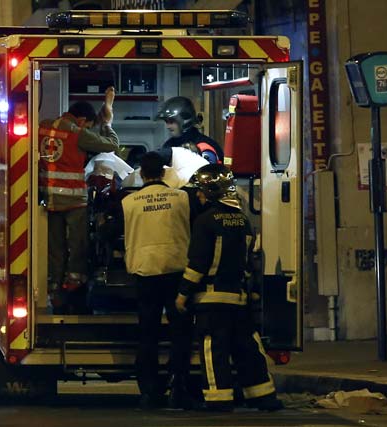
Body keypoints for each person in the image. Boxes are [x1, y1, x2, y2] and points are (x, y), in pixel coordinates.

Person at [175, 164, 283, 412]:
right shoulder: (243, 220)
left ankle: (219, 399)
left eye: (201, 191)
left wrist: (182, 294)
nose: (199, 196)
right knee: (247, 347)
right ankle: (263, 396)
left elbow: (198, 264)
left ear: (211, 192)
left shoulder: (205, 221)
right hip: (238, 297)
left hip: (212, 300)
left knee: (214, 349)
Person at [121, 152, 193, 410]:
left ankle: (149, 392)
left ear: (141, 174)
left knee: (148, 333)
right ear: (163, 173)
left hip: (145, 271)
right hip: (176, 270)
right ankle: (179, 386)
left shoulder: (129, 202)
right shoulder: (182, 197)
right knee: (180, 332)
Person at [40, 87, 119, 314]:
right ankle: (75, 286)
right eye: (87, 125)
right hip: (74, 201)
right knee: (77, 247)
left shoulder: (42, 127)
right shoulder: (78, 133)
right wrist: (107, 122)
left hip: (49, 200)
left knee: (55, 248)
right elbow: (112, 145)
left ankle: (55, 290)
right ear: (82, 120)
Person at [156, 96, 224, 164]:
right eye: (166, 121)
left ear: (185, 120)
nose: (168, 126)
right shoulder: (168, 145)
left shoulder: (204, 145)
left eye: (171, 121)